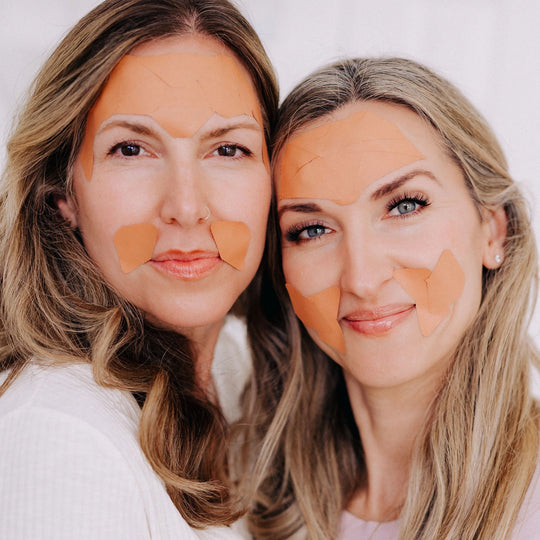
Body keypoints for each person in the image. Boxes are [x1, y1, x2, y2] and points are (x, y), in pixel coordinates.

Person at [0, 0, 278, 538]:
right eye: (131, 149)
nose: (186, 206)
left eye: (228, 149)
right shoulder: (60, 437)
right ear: (63, 195)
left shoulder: (239, 373)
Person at [242, 57, 540, 539]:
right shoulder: (248, 498)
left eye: (404, 205)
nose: (361, 277)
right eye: (311, 229)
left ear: (493, 230)